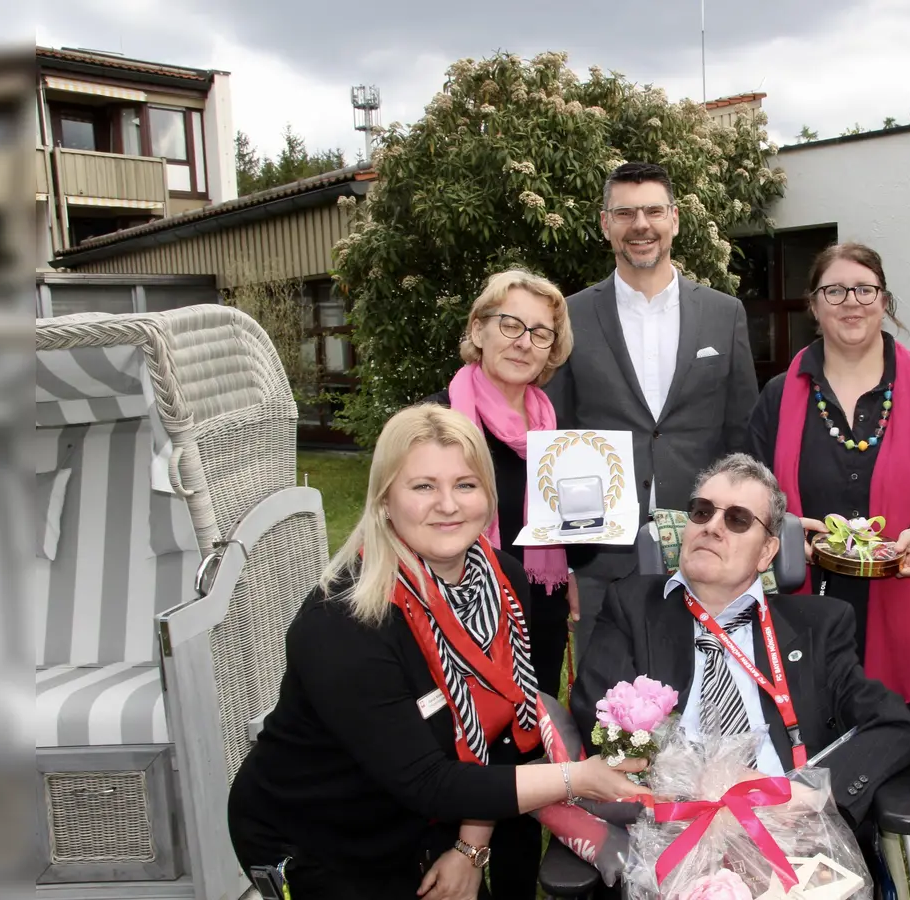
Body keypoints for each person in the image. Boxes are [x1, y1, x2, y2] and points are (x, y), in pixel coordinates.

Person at [228, 405, 648, 900]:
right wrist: (578, 778)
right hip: (324, 837)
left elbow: (507, 728)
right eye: (423, 486)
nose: (448, 505)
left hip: (433, 822)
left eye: (466, 485)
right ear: (385, 500)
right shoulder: (344, 621)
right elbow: (427, 781)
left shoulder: (505, 582)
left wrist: (472, 849)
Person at [747, 242, 910, 900]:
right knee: (822, 762)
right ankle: (842, 880)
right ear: (813, 307)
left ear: (885, 301)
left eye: (864, 289)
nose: (851, 302)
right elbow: (748, 494)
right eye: (835, 291)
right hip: (807, 619)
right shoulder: (780, 395)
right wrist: (787, 527)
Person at [571, 452, 910, 832]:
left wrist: (811, 797)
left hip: (792, 831)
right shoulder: (631, 606)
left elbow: (892, 725)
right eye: (702, 512)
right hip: (667, 830)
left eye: (737, 519)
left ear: (767, 551)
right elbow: (596, 714)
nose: (713, 527)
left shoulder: (819, 625)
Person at [544, 161, 759, 661]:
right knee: (611, 711)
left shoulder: (725, 314)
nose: (640, 225)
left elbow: (742, 435)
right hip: (601, 559)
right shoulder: (569, 316)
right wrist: (569, 565)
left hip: (705, 547)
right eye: (625, 213)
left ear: (675, 219)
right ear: (605, 224)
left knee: (707, 698)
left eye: (653, 211)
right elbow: (559, 438)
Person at [421, 268, 577, 693]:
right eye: (510, 325)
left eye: (541, 333)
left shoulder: (553, 428)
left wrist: (573, 573)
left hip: (540, 615)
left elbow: (560, 522)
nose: (524, 342)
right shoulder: (439, 421)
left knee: (534, 738)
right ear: (478, 329)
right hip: (457, 612)